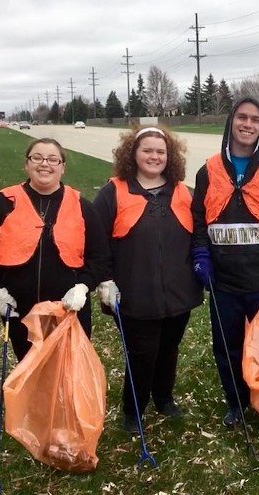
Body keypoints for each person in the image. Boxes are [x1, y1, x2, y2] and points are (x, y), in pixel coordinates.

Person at [191, 96, 259, 428]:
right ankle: (236, 401)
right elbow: (198, 221)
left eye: (255, 119)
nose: (248, 124)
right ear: (231, 122)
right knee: (228, 346)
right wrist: (201, 256)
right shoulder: (208, 170)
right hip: (223, 281)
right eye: (242, 117)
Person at [93, 126, 203, 433]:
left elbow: (197, 235)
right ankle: (133, 409)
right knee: (142, 353)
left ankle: (164, 398)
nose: (154, 157)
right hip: (134, 294)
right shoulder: (113, 192)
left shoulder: (181, 191)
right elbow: (96, 241)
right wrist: (104, 280)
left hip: (179, 292)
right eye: (147, 150)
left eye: (161, 151)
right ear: (133, 153)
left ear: (170, 157)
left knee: (169, 348)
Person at [0, 138, 110, 361]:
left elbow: (100, 254)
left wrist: (84, 286)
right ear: (26, 164)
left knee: (68, 368)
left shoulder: (81, 205)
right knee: (29, 366)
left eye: (53, 159)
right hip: (19, 309)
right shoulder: (3, 202)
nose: (45, 164)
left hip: (69, 309)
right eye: (37, 158)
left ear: (62, 167)